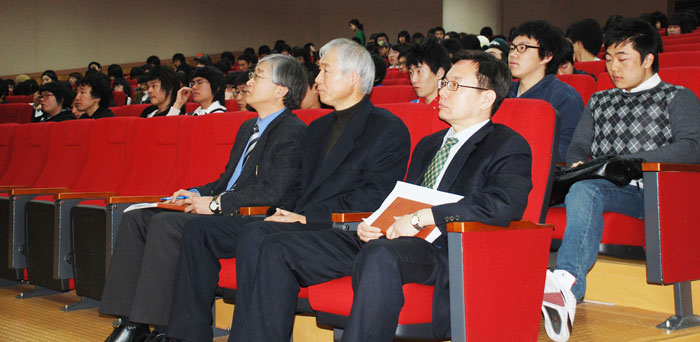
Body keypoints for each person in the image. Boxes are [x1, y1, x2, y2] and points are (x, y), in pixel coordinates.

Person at [229, 51, 533, 342]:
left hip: (444, 249)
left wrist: (424, 217)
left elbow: (503, 204)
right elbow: (402, 199)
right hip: (392, 239)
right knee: (276, 245)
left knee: (380, 254)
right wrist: (371, 222)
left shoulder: (506, 145)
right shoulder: (429, 144)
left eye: (455, 85)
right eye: (444, 83)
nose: (443, 91)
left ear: (486, 98)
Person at [163, 39, 411, 342]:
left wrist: (307, 217)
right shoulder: (318, 128)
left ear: (353, 78)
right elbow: (299, 186)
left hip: (345, 229)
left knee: (260, 236)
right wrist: (282, 211)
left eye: (325, 70)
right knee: (215, 229)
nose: (316, 79)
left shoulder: (386, 129)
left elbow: (374, 197)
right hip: (304, 221)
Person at [99, 54, 309, 342]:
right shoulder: (248, 128)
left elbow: (274, 192)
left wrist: (215, 204)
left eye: (257, 76)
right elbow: (226, 181)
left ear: (281, 90)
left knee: (166, 224)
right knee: (137, 218)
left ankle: (161, 326)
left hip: (253, 218)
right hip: (226, 208)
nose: (248, 82)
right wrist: (195, 193)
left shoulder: (293, 131)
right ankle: (130, 323)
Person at [543, 18, 700, 342]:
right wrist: (577, 163)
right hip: (603, 186)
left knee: (585, 191)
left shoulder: (677, 97)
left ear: (647, 59)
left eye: (623, 58)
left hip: (651, 192)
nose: (613, 67)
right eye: (610, 58)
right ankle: (562, 286)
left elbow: (692, 147)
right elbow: (579, 145)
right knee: (582, 188)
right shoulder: (600, 100)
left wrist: (634, 162)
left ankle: (566, 284)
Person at [509, 20, 583, 162]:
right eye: (512, 48)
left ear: (547, 56)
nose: (513, 54)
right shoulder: (503, 92)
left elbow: (568, 149)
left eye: (522, 48)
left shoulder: (565, 97)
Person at [407, 39, 451, 109]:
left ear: (439, 73)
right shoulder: (411, 107)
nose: (413, 80)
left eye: (419, 71)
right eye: (411, 72)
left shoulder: (450, 110)